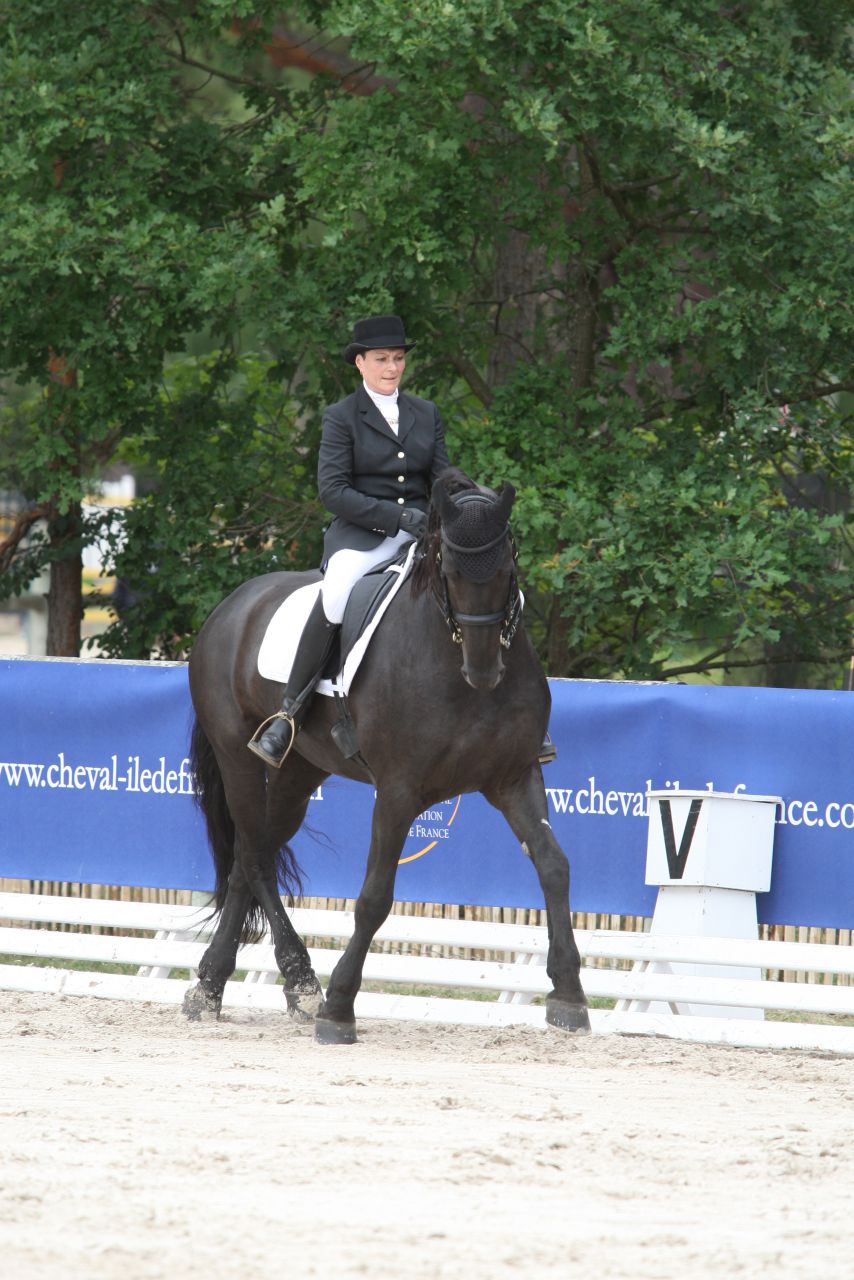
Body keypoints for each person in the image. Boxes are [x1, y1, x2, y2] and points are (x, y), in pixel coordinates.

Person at [249, 314, 452, 768]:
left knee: (484, 582)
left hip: (424, 533)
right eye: (381, 359)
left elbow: (442, 475)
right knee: (338, 590)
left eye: (397, 358)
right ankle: (290, 711)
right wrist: (397, 516)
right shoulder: (342, 417)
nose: (392, 368)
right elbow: (333, 491)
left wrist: (468, 502)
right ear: (360, 362)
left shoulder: (426, 413)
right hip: (364, 536)